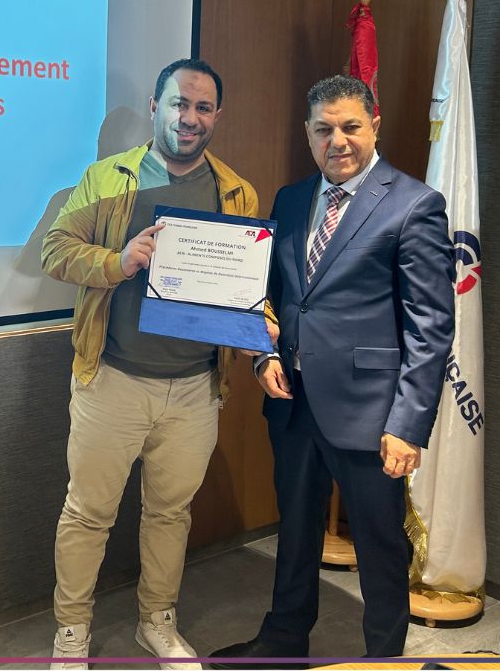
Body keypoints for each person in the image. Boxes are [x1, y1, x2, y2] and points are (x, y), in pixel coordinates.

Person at [210, 75, 455, 667]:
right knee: (296, 531)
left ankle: (383, 660)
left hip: (372, 413)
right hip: (292, 402)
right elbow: (269, 296)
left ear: (375, 125)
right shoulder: (292, 199)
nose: (336, 141)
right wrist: (263, 356)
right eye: (323, 129)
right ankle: (283, 643)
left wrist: (408, 425)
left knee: (380, 547)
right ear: (307, 133)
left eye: (350, 126)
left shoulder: (414, 204)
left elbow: (430, 328)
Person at [41, 59, 261, 670]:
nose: (189, 118)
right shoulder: (107, 178)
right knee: (88, 514)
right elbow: (56, 251)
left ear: (216, 116)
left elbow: (241, 287)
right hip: (112, 379)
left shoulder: (236, 191)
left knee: (170, 513)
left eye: (202, 108)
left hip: (195, 388)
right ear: (155, 106)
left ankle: (156, 621)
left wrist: (259, 329)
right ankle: (71, 633)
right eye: (178, 104)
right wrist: (118, 262)